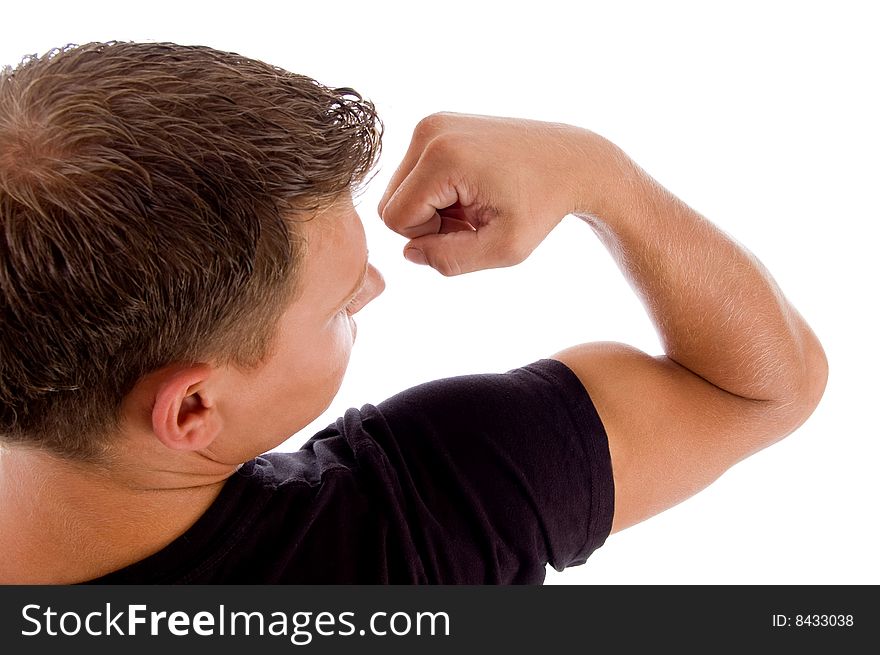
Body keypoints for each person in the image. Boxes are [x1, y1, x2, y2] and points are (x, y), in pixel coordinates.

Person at [0, 41, 827, 584]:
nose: (374, 286)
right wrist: (596, 173)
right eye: (336, 305)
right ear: (192, 407)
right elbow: (760, 387)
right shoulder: (419, 526)